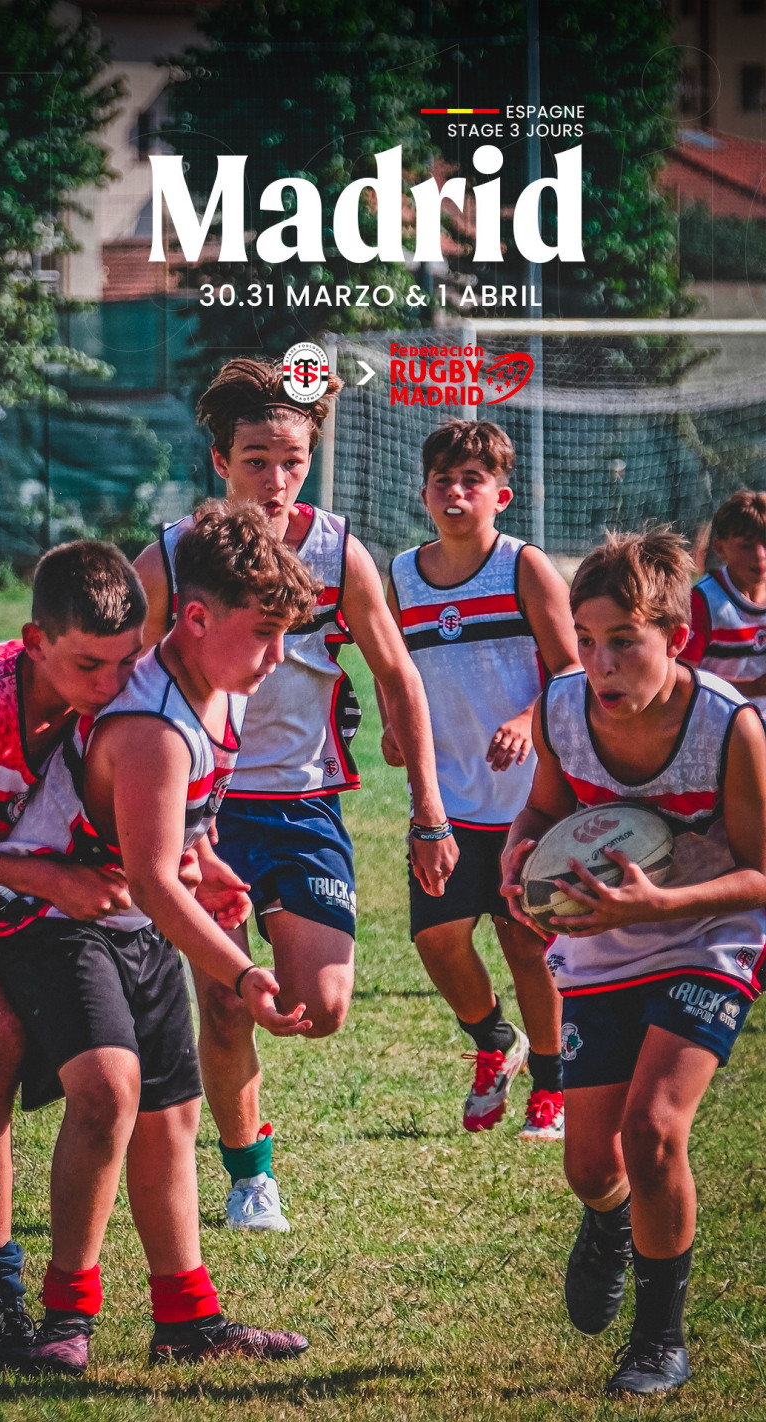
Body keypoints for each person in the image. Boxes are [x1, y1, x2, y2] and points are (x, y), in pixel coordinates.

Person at [0, 504, 319, 1373]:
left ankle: (188, 1321)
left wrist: (207, 857)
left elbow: (173, 836)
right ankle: (55, 1314)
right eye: (265, 633)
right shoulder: (145, 722)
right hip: (49, 919)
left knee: (171, 1117)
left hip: (119, 915)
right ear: (195, 618)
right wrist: (243, 975)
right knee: (103, 1088)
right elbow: (155, 881)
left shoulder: (217, 689)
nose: (279, 657)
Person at [135, 358, 458, 1232]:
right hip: (200, 812)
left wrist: (429, 813)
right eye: (256, 461)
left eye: (293, 460)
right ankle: (250, 1177)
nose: (276, 481)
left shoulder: (337, 551)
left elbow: (399, 676)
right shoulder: (173, 556)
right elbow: (116, 667)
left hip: (304, 804)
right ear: (220, 462)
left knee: (321, 1007)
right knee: (224, 1000)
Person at [501, 528, 766, 1397]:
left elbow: (761, 873)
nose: (600, 665)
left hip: (707, 937)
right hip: (602, 943)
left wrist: (661, 905)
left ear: (677, 638)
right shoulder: (562, 708)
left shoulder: (729, 726)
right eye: (585, 640)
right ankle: (611, 1221)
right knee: (591, 1165)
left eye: (623, 642)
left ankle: (659, 1341)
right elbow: (542, 812)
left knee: (653, 1131)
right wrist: (518, 856)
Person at [0, 540, 147, 1368]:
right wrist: (47, 880)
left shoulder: (123, 701)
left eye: (126, 661)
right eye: (88, 665)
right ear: (35, 643)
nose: (110, 685)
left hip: (3, 899)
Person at [382, 421, 578, 1139]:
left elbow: (571, 672)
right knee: (436, 937)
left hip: (530, 799)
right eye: (444, 480)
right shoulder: (403, 575)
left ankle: (552, 1087)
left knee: (526, 942)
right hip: (445, 798)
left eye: (473, 481)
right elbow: (392, 671)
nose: (456, 492)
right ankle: (497, 1041)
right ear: (425, 493)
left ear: (501, 495)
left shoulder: (524, 566)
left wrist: (528, 719)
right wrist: (393, 725)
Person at [681, 488, 766, 710]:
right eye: (746, 546)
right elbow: (681, 678)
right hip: (717, 721)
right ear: (720, 548)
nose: (760, 556)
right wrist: (753, 687)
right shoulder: (703, 601)